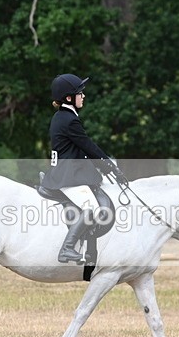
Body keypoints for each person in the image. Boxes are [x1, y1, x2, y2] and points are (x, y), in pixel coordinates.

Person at [41, 74, 125, 263]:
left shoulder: (62, 117)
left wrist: (106, 168)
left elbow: (82, 150)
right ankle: (67, 248)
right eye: (80, 93)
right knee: (91, 208)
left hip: (69, 172)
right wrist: (110, 166)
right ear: (69, 98)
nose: (83, 96)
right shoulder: (69, 120)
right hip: (68, 176)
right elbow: (89, 147)